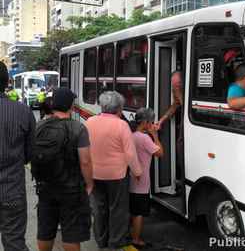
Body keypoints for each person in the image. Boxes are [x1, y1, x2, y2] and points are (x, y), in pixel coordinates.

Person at [34, 87, 94, 251]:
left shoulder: (39, 126)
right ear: (71, 106)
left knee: (45, 230)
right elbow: (86, 161)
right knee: (71, 233)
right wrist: (89, 184)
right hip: (71, 189)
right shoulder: (78, 128)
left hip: (45, 187)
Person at [85, 91, 142, 250]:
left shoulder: (89, 122)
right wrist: (137, 172)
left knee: (98, 209)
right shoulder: (122, 125)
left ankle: (101, 241)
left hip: (94, 173)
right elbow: (130, 154)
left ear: (102, 106)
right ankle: (115, 242)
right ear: (119, 108)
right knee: (118, 210)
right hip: (117, 176)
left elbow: (83, 148)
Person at [0, 61, 35, 251]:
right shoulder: (23, 111)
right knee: (14, 243)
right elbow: (30, 153)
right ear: (7, 83)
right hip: (12, 192)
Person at [130, 108, 164, 248]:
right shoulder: (144, 139)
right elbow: (160, 153)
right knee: (139, 213)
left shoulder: (131, 134)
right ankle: (136, 239)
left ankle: (131, 234)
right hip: (141, 182)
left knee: (132, 210)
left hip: (130, 180)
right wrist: (155, 135)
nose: (151, 124)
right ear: (144, 122)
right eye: (150, 121)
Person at [155, 71, 184, 193]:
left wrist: (178, 92)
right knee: (179, 147)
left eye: (177, 85)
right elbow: (175, 105)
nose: (175, 87)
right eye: (173, 85)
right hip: (183, 120)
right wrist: (161, 120)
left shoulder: (187, 89)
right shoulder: (176, 90)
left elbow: (184, 104)